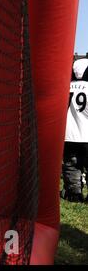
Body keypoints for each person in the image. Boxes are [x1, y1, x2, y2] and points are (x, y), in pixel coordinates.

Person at [60, 58, 88, 202]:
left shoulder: (66, 87)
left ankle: (73, 193)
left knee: (71, 165)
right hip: (87, 135)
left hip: (69, 135)